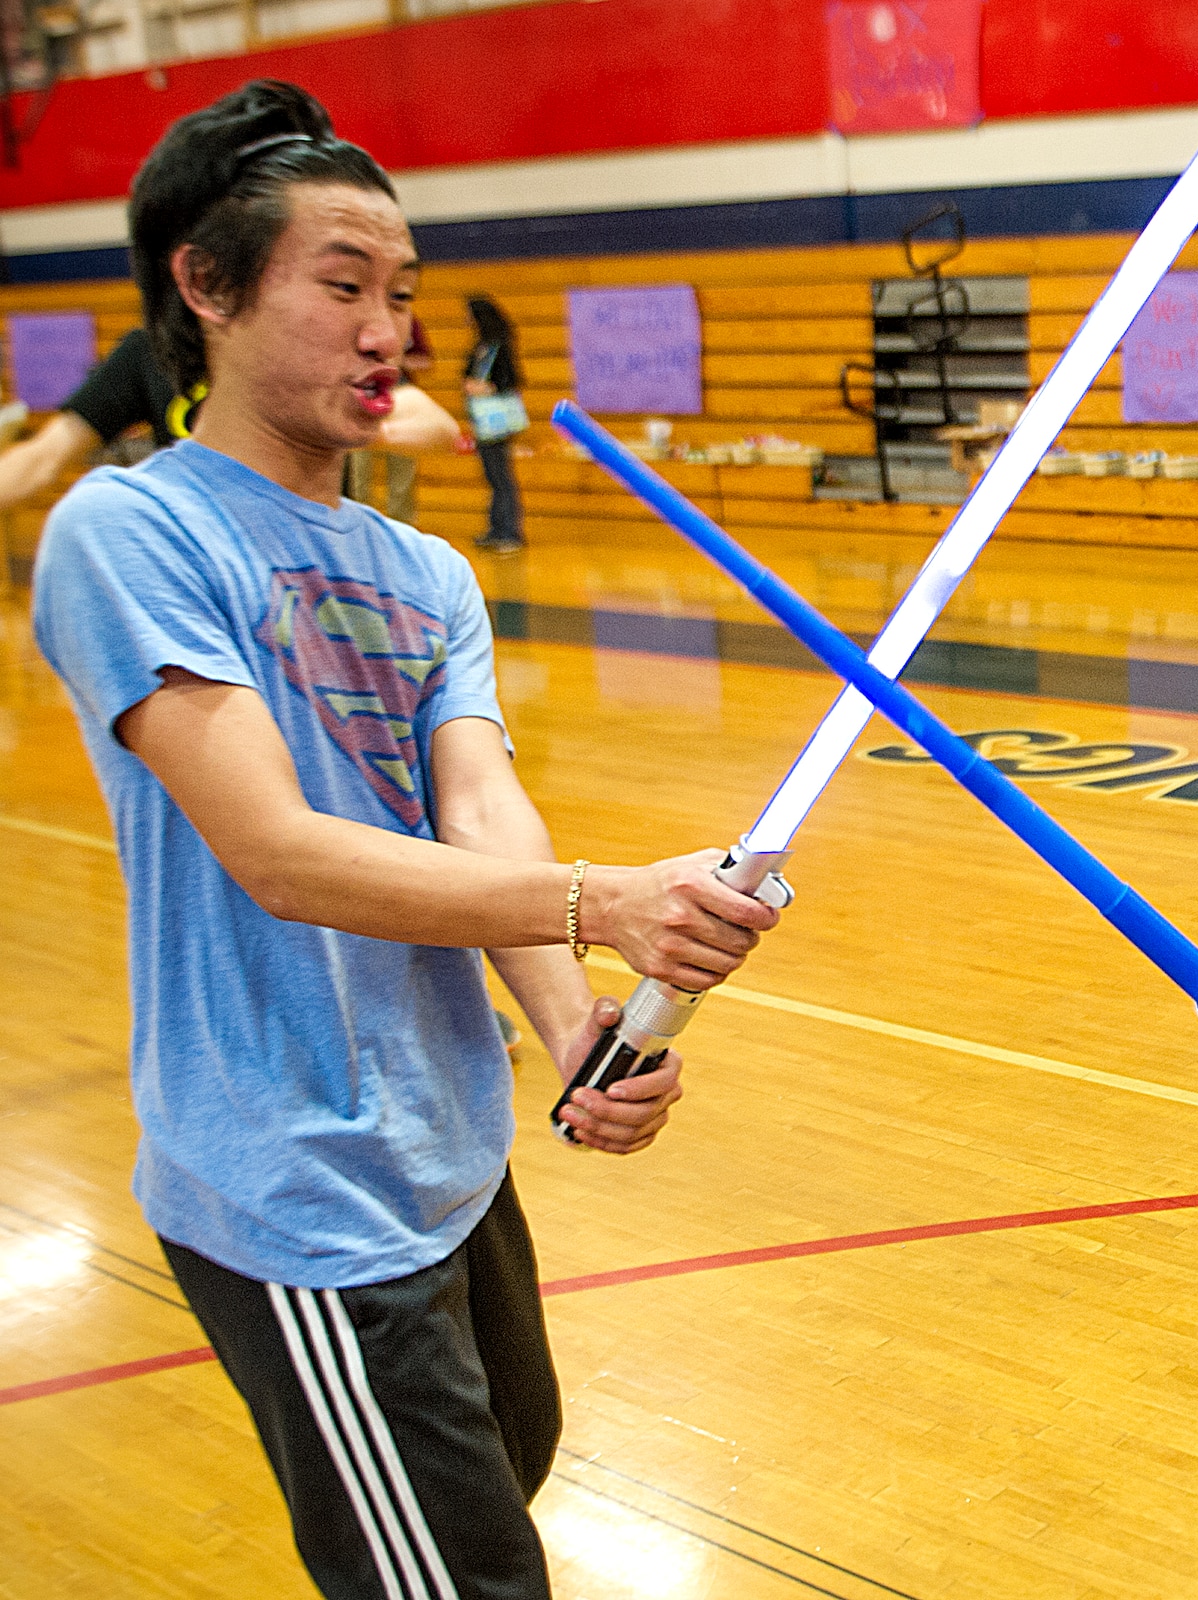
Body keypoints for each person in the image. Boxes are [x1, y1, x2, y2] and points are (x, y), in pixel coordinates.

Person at [31, 79, 780, 1600]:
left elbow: (477, 805)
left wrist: (581, 1027)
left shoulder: (426, 568)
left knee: (511, 1466)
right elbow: (279, 851)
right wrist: (611, 899)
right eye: (344, 284)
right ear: (210, 287)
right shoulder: (134, 532)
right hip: (294, 1176)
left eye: (406, 294)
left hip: (447, 1147)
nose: (392, 332)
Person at [0, 321, 458, 511]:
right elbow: (44, 456)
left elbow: (436, 426)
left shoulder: (302, 342)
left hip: (312, 576)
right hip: (199, 575)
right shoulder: (150, 351)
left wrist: (329, 424)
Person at [344, 313, 440, 522]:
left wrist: (399, 359)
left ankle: (402, 525)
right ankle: (360, 525)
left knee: (402, 469)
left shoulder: (408, 322)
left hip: (399, 397)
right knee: (360, 471)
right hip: (363, 399)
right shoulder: (357, 319)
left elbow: (425, 361)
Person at [463, 293, 526, 553]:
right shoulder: (481, 346)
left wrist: (487, 388)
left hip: (496, 420)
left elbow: (512, 380)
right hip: (482, 420)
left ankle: (510, 532)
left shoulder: (500, 346)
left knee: (501, 476)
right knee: (492, 475)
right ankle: (496, 528)